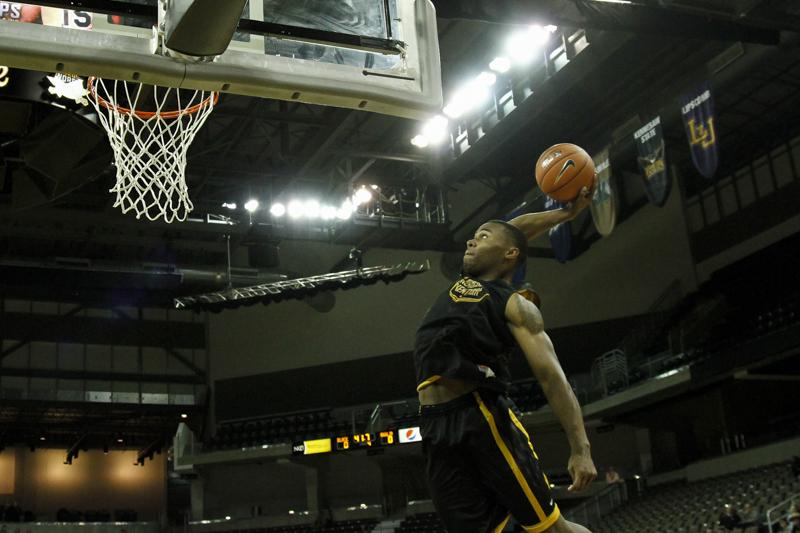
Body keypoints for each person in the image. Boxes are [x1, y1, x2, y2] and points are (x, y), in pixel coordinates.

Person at [414, 188, 596, 533]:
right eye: (472, 236)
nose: (471, 241)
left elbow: (552, 377)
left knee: (553, 530)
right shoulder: (467, 282)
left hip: (481, 417)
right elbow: (512, 231)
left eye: (481, 237)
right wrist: (565, 215)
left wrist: (581, 449)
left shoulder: (514, 304)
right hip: (435, 426)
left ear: (510, 254)